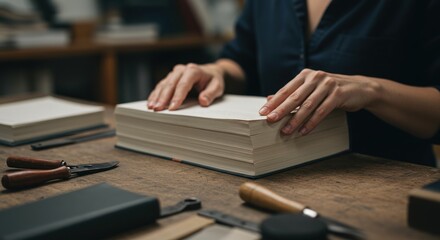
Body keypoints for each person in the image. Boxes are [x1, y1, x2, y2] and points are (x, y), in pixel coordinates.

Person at [147, 0, 440, 167]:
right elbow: (242, 58)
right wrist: (217, 72)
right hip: (269, 179)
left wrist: (373, 91)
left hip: (387, 188)